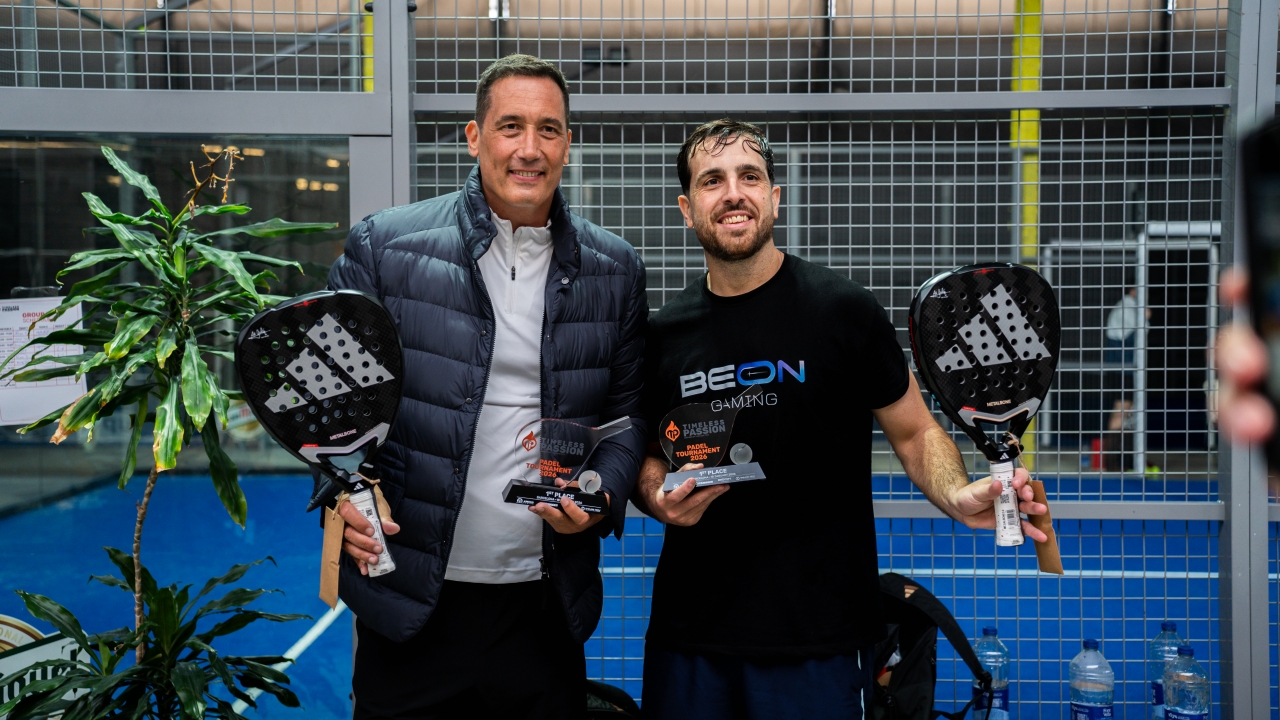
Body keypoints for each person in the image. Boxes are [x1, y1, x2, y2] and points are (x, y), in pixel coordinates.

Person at [631, 118, 1048, 719]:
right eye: (711, 180)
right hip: (690, 636)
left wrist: (957, 493)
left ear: (774, 196)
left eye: (750, 176)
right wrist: (653, 494)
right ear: (687, 207)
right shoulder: (663, 336)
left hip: (821, 637)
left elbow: (915, 429)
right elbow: (644, 457)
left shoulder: (843, 311)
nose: (732, 193)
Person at [323, 54, 648, 719]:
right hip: (412, 605)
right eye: (511, 126)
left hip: (544, 608)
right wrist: (343, 491)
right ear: (475, 138)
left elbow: (627, 416)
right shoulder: (385, 248)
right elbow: (331, 403)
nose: (530, 149)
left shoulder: (616, 269)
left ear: (567, 143)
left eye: (549, 130)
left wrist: (601, 494)